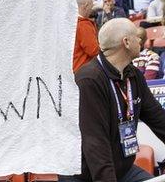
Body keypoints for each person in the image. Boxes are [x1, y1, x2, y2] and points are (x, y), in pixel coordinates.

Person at [64, 18, 165, 181]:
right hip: (86, 175)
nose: (140, 39)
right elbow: (95, 144)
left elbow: (158, 118)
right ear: (126, 42)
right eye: (135, 36)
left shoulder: (133, 75)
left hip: (122, 170)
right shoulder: (89, 80)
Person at [74, 0, 99, 72]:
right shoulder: (83, 25)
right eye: (91, 7)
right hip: (84, 69)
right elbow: (93, 51)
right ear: (86, 6)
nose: (91, 10)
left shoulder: (70, 22)